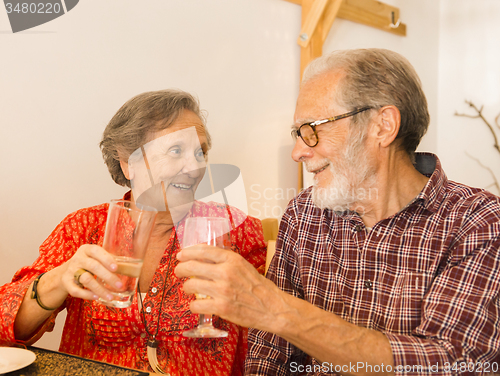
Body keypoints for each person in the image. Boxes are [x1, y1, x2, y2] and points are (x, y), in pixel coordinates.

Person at [175, 49, 500, 375]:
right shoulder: (304, 214)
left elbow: (454, 363)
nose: (298, 152)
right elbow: (270, 354)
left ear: (383, 126)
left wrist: (276, 309)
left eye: (312, 128)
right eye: (297, 133)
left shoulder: (478, 221)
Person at [0, 89, 266, 375]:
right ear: (128, 163)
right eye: (176, 151)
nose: (195, 167)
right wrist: (60, 280)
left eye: (200, 152)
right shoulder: (84, 227)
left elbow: (274, 327)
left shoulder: (234, 229)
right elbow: (5, 325)